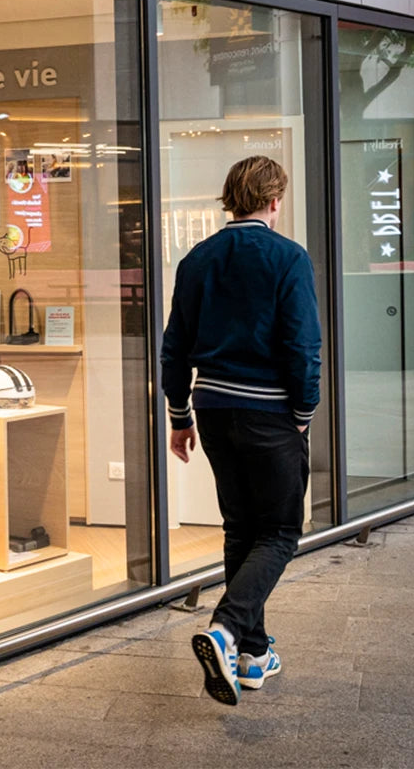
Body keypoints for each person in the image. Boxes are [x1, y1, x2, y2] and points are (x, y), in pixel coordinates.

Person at [161, 155, 321, 706]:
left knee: (240, 529)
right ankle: (227, 629)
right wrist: (303, 412)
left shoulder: (197, 259)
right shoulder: (288, 258)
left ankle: (252, 656)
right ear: (275, 201)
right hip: (270, 414)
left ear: (230, 199)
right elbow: (303, 346)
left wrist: (179, 416)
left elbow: (175, 346)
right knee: (279, 532)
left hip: (213, 409)